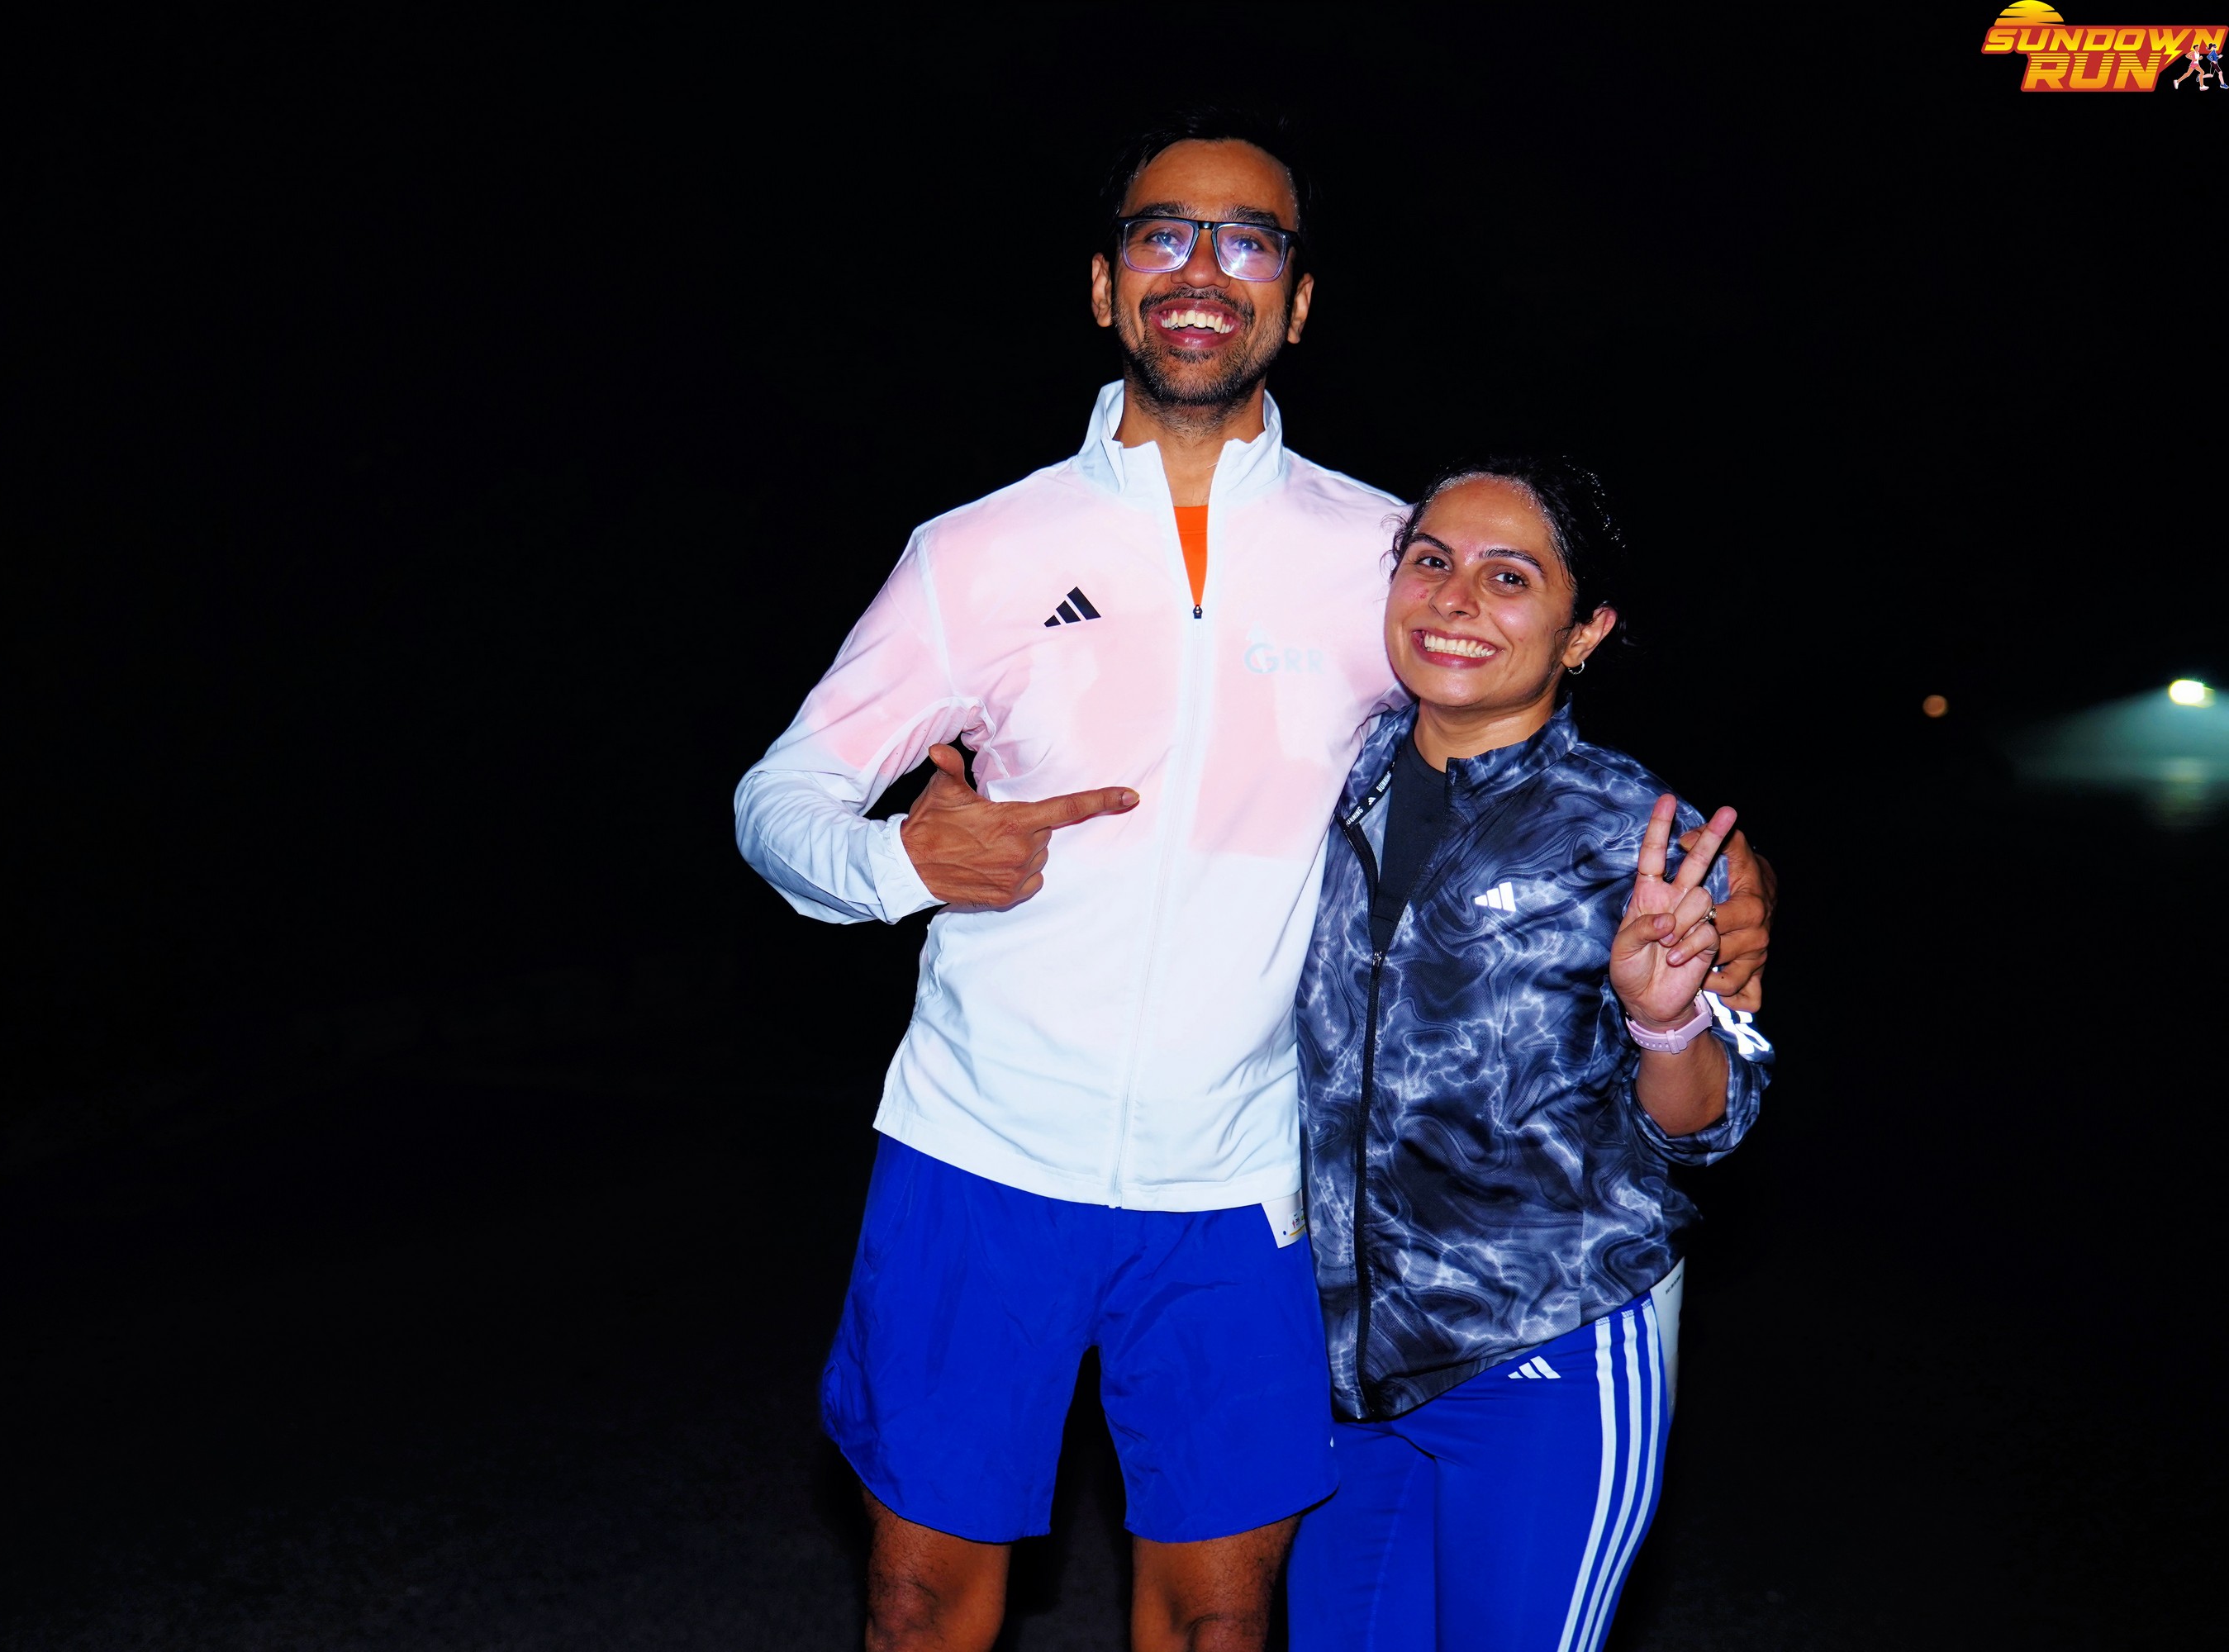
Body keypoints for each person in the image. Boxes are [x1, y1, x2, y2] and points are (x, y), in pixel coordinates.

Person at [734, 114, 1777, 1652]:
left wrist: (1731, 877)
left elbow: (1515, 729)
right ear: (1106, 286)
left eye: (1249, 240)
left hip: (1242, 1185)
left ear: (1297, 301)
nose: (1202, 268)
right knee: (916, 1606)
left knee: (1224, 1624)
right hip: (976, 1150)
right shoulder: (976, 551)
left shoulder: (1381, 554)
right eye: (1163, 233)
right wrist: (895, 860)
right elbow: (778, 798)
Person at [1285, 458, 1774, 1651]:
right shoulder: (1313, 774)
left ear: (1583, 632)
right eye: (1431, 562)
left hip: (1548, 1351)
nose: (1456, 600)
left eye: (1510, 578)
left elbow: (1708, 1125)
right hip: (1334, 1363)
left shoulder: (1637, 836)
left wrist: (1664, 1021)